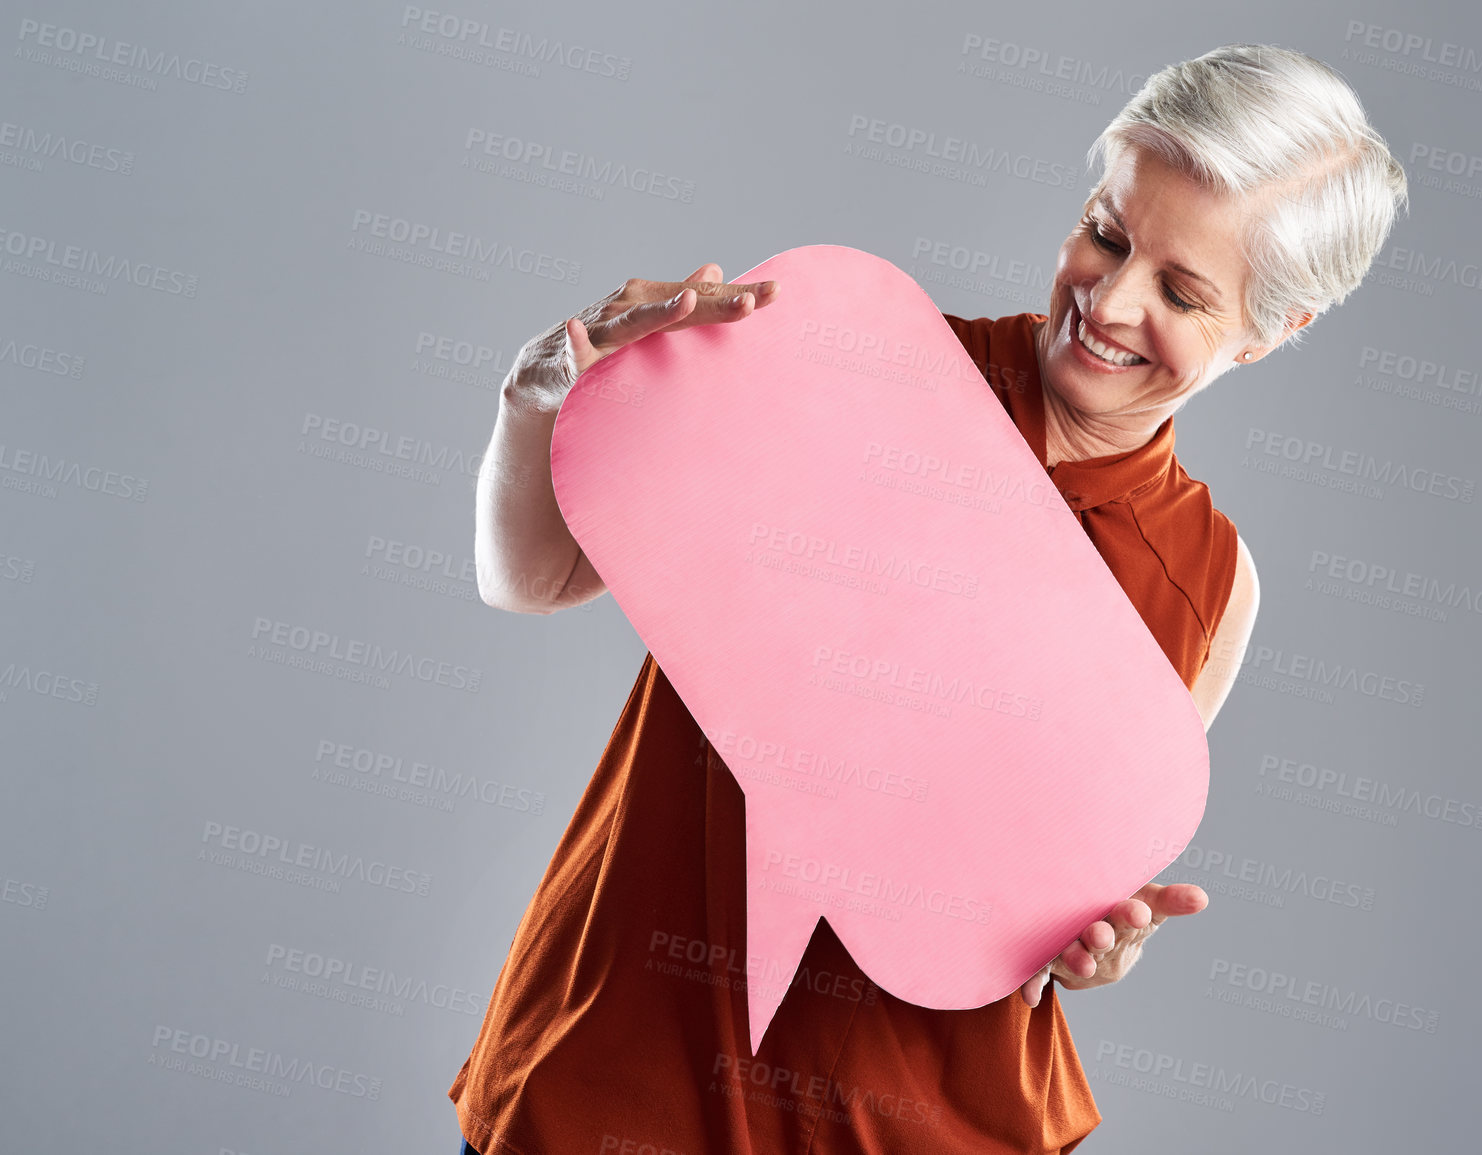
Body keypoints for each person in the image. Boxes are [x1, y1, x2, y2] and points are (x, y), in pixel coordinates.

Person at [450, 42, 1408, 1155]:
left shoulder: (1210, 581)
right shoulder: (841, 365)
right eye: (1106, 232)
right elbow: (531, 577)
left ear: (1273, 331)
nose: (1110, 296)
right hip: (617, 1088)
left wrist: (1098, 947)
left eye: (1185, 292)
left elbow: (1040, 888)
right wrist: (544, 394)